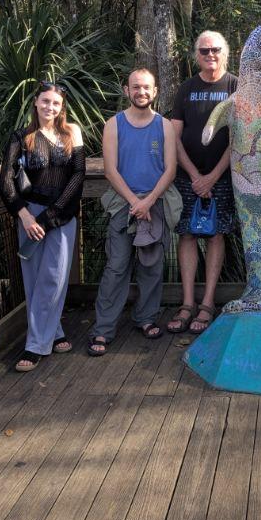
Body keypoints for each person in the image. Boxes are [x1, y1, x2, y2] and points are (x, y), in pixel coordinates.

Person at [88, 68, 176, 355]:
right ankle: (103, 329)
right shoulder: (114, 124)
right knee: (117, 266)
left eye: (147, 87)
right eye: (136, 87)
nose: (141, 92)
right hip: (122, 204)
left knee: (151, 264)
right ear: (126, 90)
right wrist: (134, 203)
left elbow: (170, 169)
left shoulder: (164, 126)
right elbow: (110, 170)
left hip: (155, 202)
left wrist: (149, 201)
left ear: (155, 91)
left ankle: (146, 318)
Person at [0, 81, 85, 372]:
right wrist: (23, 215)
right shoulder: (21, 137)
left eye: (56, 103)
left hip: (61, 215)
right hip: (30, 216)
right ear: (36, 102)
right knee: (34, 279)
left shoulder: (72, 132)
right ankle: (54, 332)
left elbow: (78, 175)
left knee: (54, 277)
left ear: (62, 107)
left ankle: (34, 346)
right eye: (45, 101)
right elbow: (6, 181)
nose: (50, 107)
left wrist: (53, 215)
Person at [167, 31, 238, 334]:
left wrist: (212, 176)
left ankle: (207, 303)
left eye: (216, 49)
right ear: (196, 54)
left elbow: (239, 139)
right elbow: (174, 135)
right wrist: (195, 176)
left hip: (221, 176)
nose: (211, 55)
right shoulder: (186, 89)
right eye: (204, 50)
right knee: (187, 235)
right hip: (187, 176)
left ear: (226, 52)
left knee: (215, 235)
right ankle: (186, 304)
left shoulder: (236, 86)